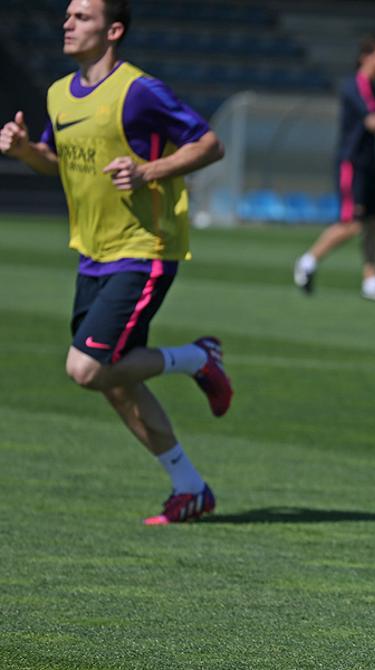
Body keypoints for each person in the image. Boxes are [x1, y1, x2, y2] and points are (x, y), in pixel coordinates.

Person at [0, 0, 232, 525]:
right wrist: (21, 152)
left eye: (82, 16)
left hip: (143, 248)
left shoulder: (139, 91)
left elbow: (210, 144)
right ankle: (189, 487)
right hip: (93, 254)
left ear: (114, 31)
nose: (68, 23)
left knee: (86, 368)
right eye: (67, 15)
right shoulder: (59, 93)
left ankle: (197, 358)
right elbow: (52, 163)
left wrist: (150, 171)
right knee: (115, 380)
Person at [293, 34, 375, 301]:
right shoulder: (357, 86)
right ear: (366, 57)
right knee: (352, 224)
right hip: (354, 163)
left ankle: (371, 280)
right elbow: (374, 121)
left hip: (370, 163)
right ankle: (307, 261)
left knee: (372, 223)